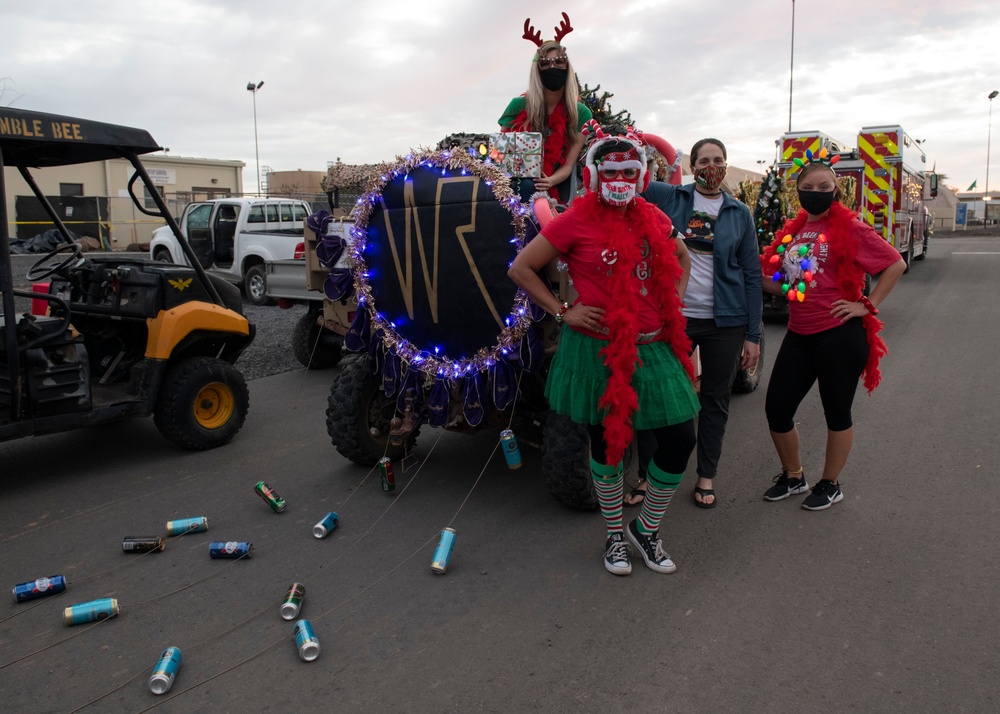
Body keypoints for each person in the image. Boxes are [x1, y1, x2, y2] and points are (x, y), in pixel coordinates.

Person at [508, 130, 699, 575]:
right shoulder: (575, 219)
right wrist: (562, 310)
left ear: (642, 176)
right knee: (607, 445)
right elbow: (522, 268)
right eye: (610, 170)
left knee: (681, 438)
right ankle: (615, 536)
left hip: (652, 347)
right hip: (595, 351)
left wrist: (673, 302)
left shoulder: (652, 214)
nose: (619, 178)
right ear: (594, 175)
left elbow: (683, 258)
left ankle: (645, 530)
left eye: (628, 171)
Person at [760, 151, 905, 510]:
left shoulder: (851, 227)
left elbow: (895, 263)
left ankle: (830, 483)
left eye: (823, 186)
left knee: (836, 412)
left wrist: (866, 304)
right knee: (777, 409)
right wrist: (753, 278)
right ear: (798, 191)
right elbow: (789, 284)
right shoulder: (795, 231)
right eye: (808, 187)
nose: (816, 192)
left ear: (835, 190)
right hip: (799, 332)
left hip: (838, 335)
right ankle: (794, 476)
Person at [629, 137, 762, 509]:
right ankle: (647, 476)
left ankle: (706, 475)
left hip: (726, 322)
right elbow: (631, 177)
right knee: (657, 395)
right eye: (704, 160)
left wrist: (753, 335)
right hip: (675, 319)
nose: (711, 167)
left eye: (718, 160)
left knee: (715, 400)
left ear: (726, 164)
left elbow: (752, 275)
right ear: (693, 165)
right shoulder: (673, 197)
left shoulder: (740, 213)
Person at [498, 15, 592, 205]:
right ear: (537, 69)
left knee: (533, 191)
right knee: (523, 186)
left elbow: (568, 166)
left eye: (558, 62)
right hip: (513, 183)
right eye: (545, 64)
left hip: (553, 185)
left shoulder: (580, 113)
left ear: (567, 67)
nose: (553, 67)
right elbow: (501, 155)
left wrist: (548, 181)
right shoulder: (517, 106)